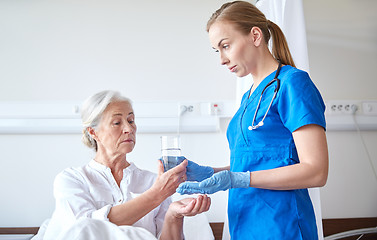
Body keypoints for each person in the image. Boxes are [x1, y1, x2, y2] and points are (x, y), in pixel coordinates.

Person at [177, 1, 329, 239]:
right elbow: (262, 162)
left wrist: (236, 178)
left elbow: (316, 171)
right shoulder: (249, 97)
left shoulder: (292, 84)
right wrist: (211, 172)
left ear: (255, 35)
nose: (222, 60)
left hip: (282, 225)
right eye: (217, 50)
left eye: (225, 46)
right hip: (245, 224)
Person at [41, 90, 211, 240]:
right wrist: (156, 194)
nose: (129, 129)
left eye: (131, 120)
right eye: (117, 123)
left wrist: (174, 215)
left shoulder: (153, 181)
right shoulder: (72, 180)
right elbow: (85, 231)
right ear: (93, 132)